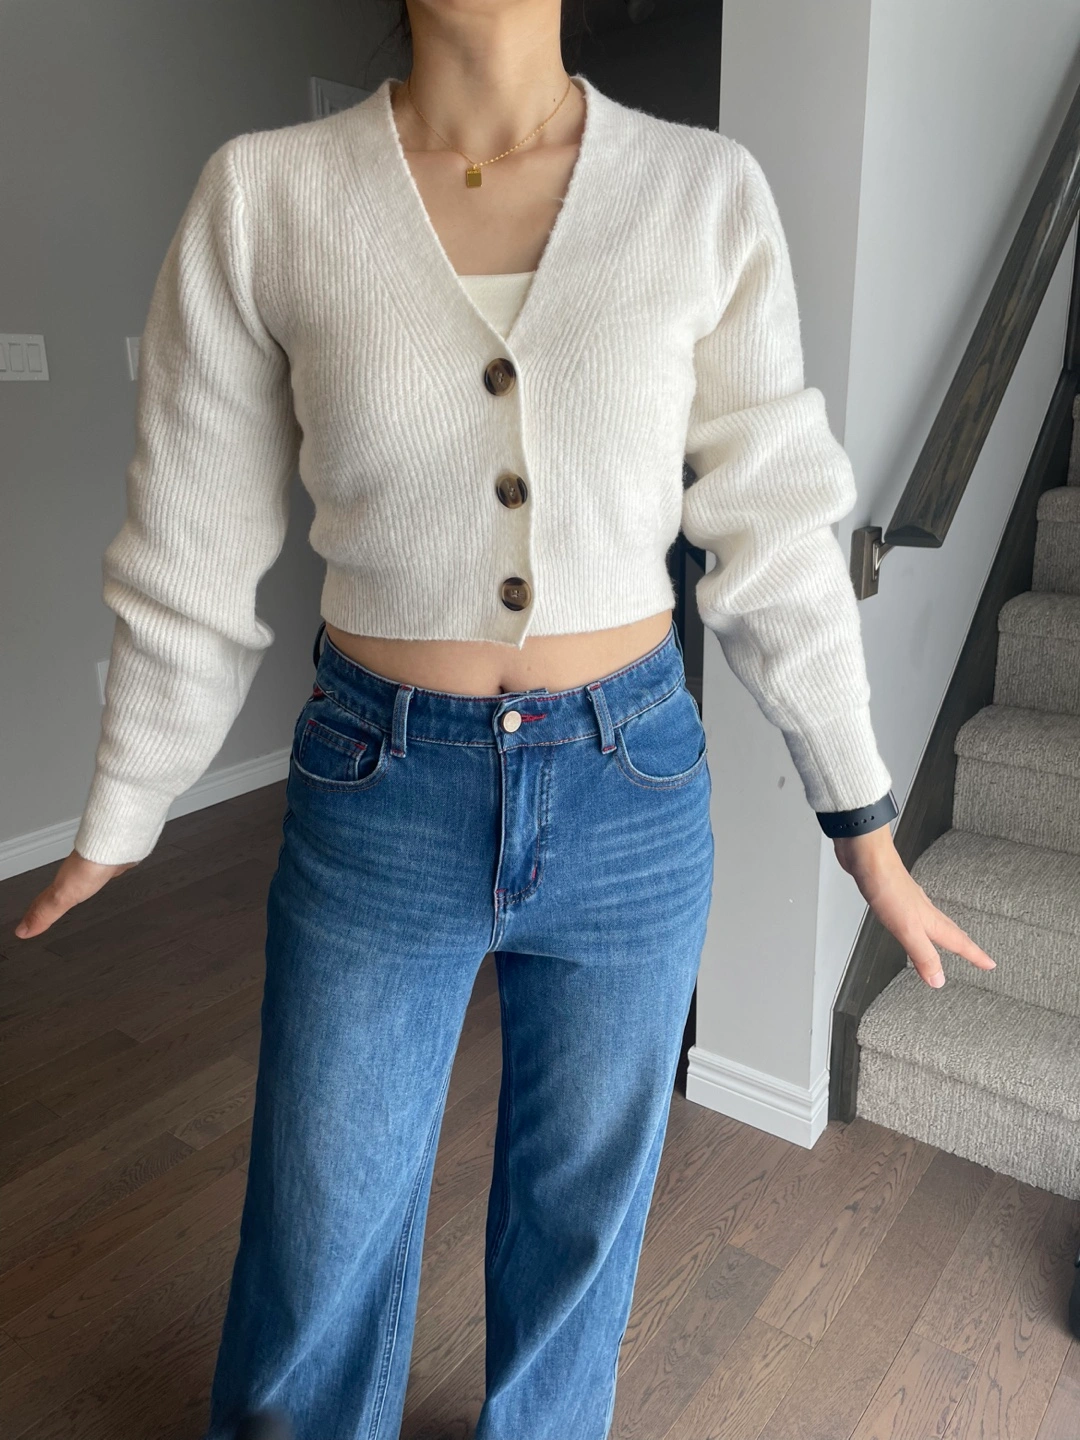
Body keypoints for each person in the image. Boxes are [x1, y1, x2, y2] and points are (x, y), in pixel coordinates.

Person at [13, 2, 997, 1437]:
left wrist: (867, 827)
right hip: (379, 787)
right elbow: (191, 541)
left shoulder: (701, 194)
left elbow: (778, 532)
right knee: (319, 1221)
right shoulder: (268, 199)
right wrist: (127, 800)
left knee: (582, 1220)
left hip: (630, 788)